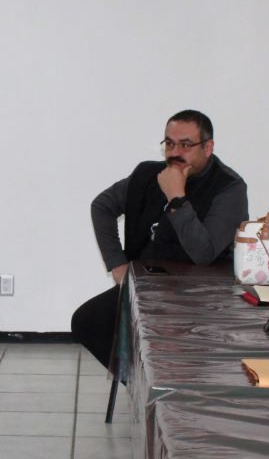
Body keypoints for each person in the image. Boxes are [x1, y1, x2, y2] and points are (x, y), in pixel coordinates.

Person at [70, 109, 248, 369]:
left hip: (200, 294)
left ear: (208, 147)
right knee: (87, 321)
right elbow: (102, 206)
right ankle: (141, 381)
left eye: (186, 145)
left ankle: (164, 380)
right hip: (149, 285)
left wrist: (176, 198)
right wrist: (116, 263)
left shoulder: (229, 188)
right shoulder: (148, 175)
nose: (175, 152)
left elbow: (203, 253)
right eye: (170, 144)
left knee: (171, 336)